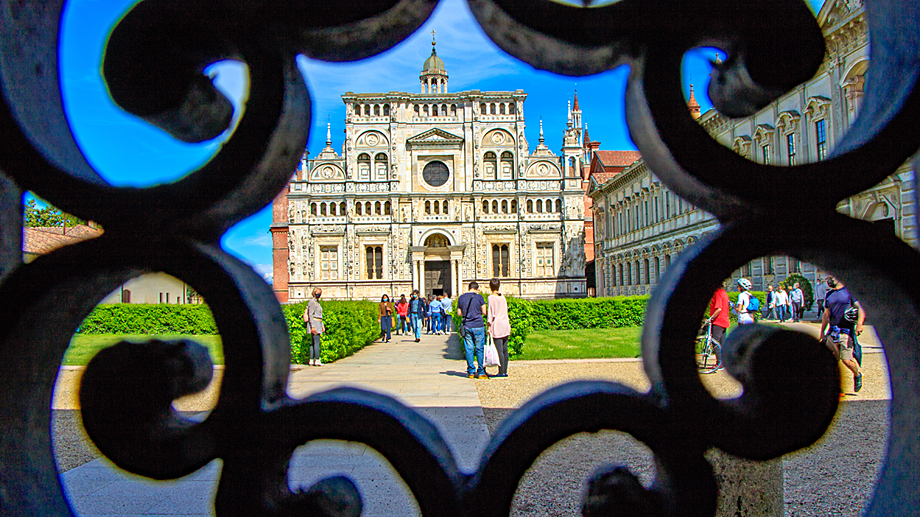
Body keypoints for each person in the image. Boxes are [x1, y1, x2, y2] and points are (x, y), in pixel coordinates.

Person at [820, 276, 864, 393]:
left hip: (846, 331)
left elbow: (860, 308)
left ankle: (857, 374)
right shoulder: (829, 295)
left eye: (831, 277)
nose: (829, 280)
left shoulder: (849, 292)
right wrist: (822, 332)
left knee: (847, 360)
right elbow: (826, 314)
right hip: (833, 332)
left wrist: (859, 324)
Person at [457, 281, 488, 379]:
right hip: (478, 325)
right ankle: (481, 372)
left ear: (468, 288)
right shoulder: (479, 297)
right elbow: (484, 312)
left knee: (469, 349)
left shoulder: (461, 298)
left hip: (467, 326)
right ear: (477, 289)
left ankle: (471, 371)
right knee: (479, 348)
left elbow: (458, 313)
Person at [487, 278, 511, 378]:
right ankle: (505, 371)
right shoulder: (503, 297)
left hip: (497, 325)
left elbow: (490, 313)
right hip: (505, 324)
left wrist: (489, 326)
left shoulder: (491, 298)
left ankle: (501, 372)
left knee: (499, 350)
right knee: (505, 350)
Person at [706, 285, 730, 369]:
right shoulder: (724, 293)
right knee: (722, 343)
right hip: (724, 321)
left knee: (715, 342)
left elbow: (719, 308)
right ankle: (724, 362)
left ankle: (719, 363)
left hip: (718, 321)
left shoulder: (718, 293)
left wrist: (711, 318)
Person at [303, 288, 324, 366]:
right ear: (314, 293)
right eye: (317, 293)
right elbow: (311, 315)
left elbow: (320, 316)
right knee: (316, 342)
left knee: (313, 343)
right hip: (315, 324)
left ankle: (311, 359)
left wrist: (322, 325)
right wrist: (313, 327)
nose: (319, 295)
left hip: (318, 323)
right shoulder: (312, 302)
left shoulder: (317, 302)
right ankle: (317, 359)